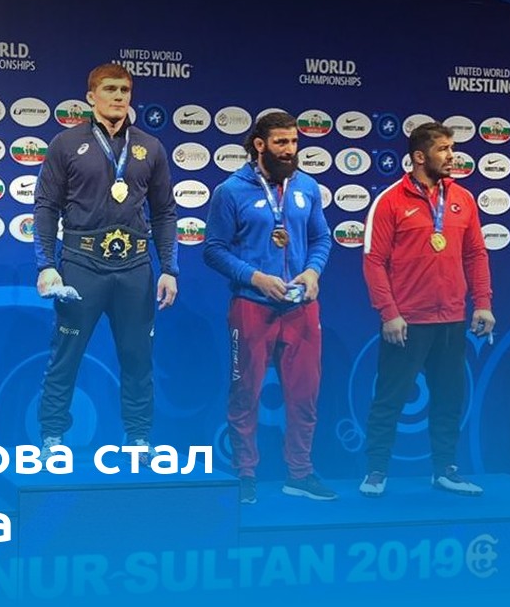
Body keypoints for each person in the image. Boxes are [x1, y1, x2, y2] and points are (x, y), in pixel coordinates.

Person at [33, 63, 178, 467]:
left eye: (125, 90)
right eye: (110, 89)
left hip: (134, 268)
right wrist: (45, 264)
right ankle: (52, 435)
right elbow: (46, 207)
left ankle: (139, 437)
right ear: (90, 96)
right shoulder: (66, 143)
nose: (118, 97)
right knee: (66, 355)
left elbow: (164, 212)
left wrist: (169, 268)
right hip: (81, 265)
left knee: (137, 357)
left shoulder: (150, 146)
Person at [203, 111, 337, 504]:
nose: (289, 149)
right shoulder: (231, 191)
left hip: (301, 308)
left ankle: (300, 473)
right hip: (251, 306)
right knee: (245, 394)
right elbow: (213, 250)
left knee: (305, 395)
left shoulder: (307, 186)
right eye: (281, 142)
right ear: (260, 145)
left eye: (293, 142)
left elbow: (322, 239)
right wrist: (255, 277)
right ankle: (245, 474)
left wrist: (312, 272)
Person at [360, 122, 494, 497]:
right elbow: (373, 261)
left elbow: (476, 254)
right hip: (406, 321)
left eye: (452, 148)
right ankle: (376, 471)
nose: (452, 156)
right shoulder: (390, 201)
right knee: (390, 399)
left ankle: (445, 470)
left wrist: (483, 304)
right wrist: (388, 312)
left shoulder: (463, 199)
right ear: (419, 157)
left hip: (451, 319)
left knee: (449, 398)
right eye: (443, 149)